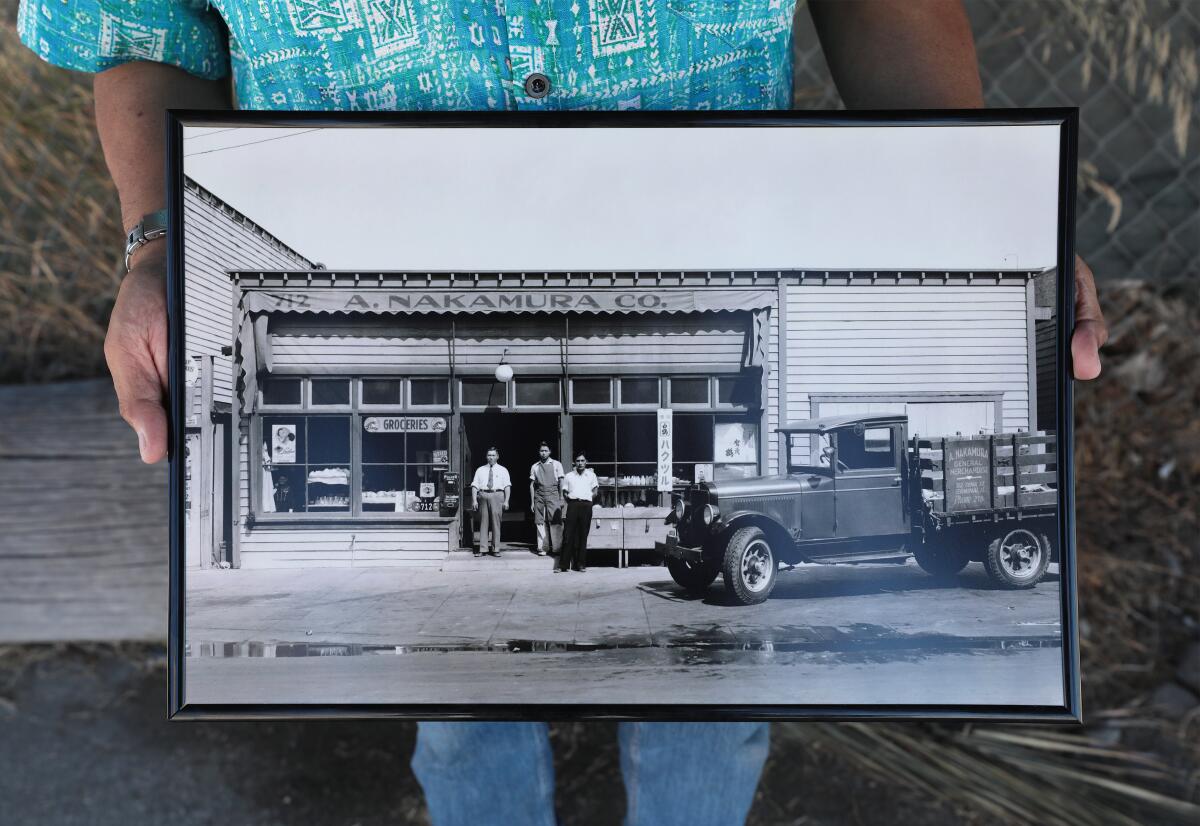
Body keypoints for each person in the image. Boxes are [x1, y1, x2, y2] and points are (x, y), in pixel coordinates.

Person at [18, 1, 1109, 823]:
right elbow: (143, 17)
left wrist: (987, 212)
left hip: (711, 247)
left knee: (723, 681)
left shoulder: (707, 452)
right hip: (363, 256)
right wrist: (161, 238)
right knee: (453, 688)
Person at [558, 453, 599, 573]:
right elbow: (565, 492)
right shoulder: (569, 476)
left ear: (586, 462)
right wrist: (571, 501)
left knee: (583, 535)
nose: (580, 463)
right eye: (578, 461)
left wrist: (587, 498)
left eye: (582, 461)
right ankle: (563, 565)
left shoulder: (591, 475)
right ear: (574, 463)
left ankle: (580, 564)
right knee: (568, 535)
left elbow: (595, 491)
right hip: (573, 505)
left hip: (586, 505)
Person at [470, 447, 510, 558]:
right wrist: (474, 500)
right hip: (483, 495)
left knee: (496, 523)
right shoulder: (480, 470)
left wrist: (506, 501)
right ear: (486, 456)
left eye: (493, 455)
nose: (491, 457)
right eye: (489, 455)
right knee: (484, 522)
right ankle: (483, 548)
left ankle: (496, 548)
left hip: (497, 495)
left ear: (497, 456)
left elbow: (507, 486)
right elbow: (474, 486)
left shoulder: (503, 470)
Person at [529, 441, 565, 557]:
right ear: (539, 452)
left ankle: (557, 548)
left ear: (549, 452)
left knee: (555, 522)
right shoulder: (535, 466)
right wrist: (532, 502)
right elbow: (532, 485)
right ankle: (543, 547)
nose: (543, 453)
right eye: (541, 451)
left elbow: (561, 482)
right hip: (539, 496)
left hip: (553, 495)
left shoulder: (556, 464)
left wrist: (561, 498)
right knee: (540, 522)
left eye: (545, 451)